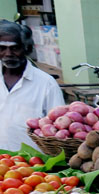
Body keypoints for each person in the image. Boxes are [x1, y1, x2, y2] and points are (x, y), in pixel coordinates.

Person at [0, 20, 63, 151]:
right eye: (2, 48)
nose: (8, 54)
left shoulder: (46, 83)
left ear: (27, 48)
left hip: (33, 161)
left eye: (15, 48)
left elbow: (59, 127)